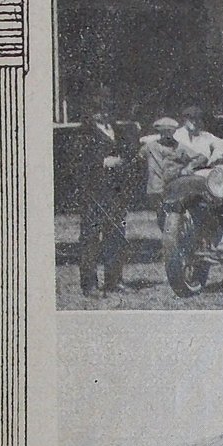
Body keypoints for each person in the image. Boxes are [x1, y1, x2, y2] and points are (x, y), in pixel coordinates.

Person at [72, 89, 138, 296]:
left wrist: (123, 162)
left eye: (109, 109)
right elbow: (77, 163)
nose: (105, 114)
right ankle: (90, 285)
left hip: (116, 192)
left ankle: (114, 280)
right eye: (100, 110)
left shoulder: (117, 130)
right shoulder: (85, 133)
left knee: (116, 236)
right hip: (94, 193)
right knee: (91, 238)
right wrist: (102, 163)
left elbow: (129, 153)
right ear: (92, 113)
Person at [139, 117, 203, 211]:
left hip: (173, 185)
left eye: (170, 131)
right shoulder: (150, 146)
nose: (167, 134)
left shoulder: (179, 147)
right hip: (155, 188)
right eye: (164, 132)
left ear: (174, 132)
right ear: (160, 133)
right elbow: (139, 156)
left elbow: (201, 157)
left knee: (174, 213)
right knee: (160, 215)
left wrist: (189, 166)